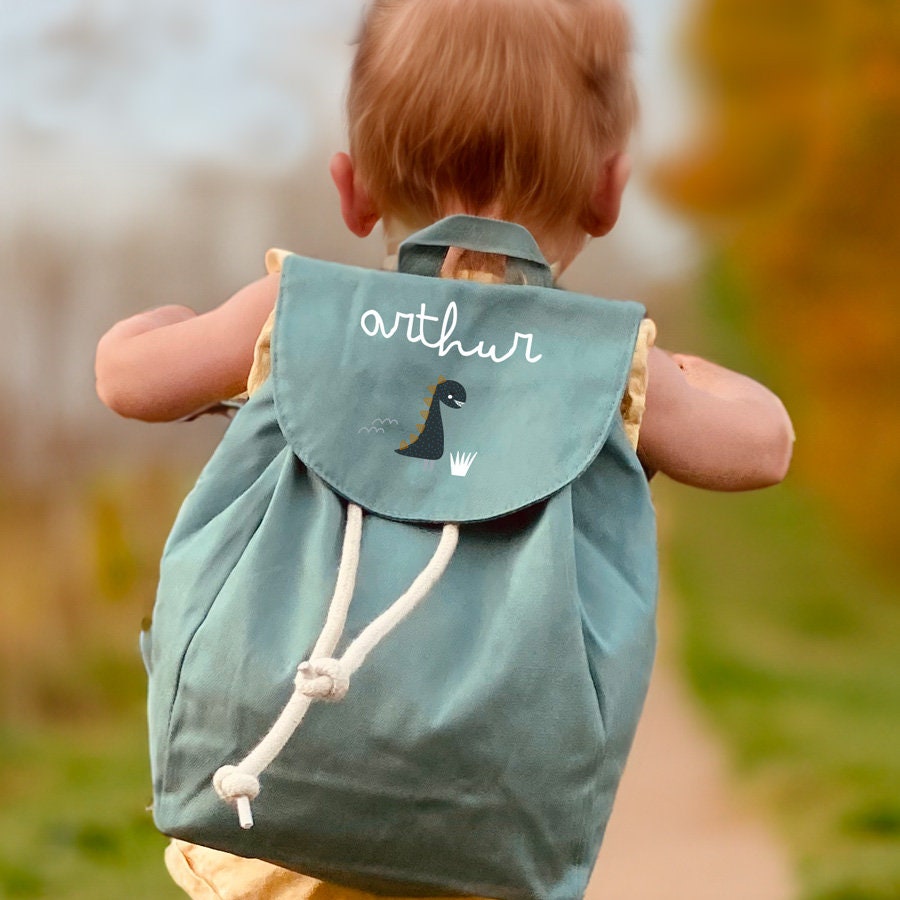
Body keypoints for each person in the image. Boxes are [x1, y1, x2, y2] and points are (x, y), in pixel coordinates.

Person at [95, 0, 793, 897]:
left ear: (351, 191)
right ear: (609, 191)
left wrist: (183, 326)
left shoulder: (291, 311)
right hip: (482, 821)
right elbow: (764, 444)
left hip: (265, 800)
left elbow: (126, 378)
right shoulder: (609, 366)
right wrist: (668, 369)